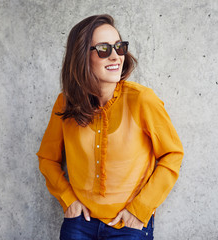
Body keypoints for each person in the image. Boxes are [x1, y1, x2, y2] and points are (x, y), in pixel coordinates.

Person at [37, 14, 184, 240]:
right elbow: (47, 158)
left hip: (128, 226)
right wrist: (68, 200)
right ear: (81, 57)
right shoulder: (65, 103)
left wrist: (140, 210)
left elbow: (172, 154)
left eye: (119, 47)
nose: (116, 56)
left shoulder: (142, 100)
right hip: (79, 225)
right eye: (104, 49)